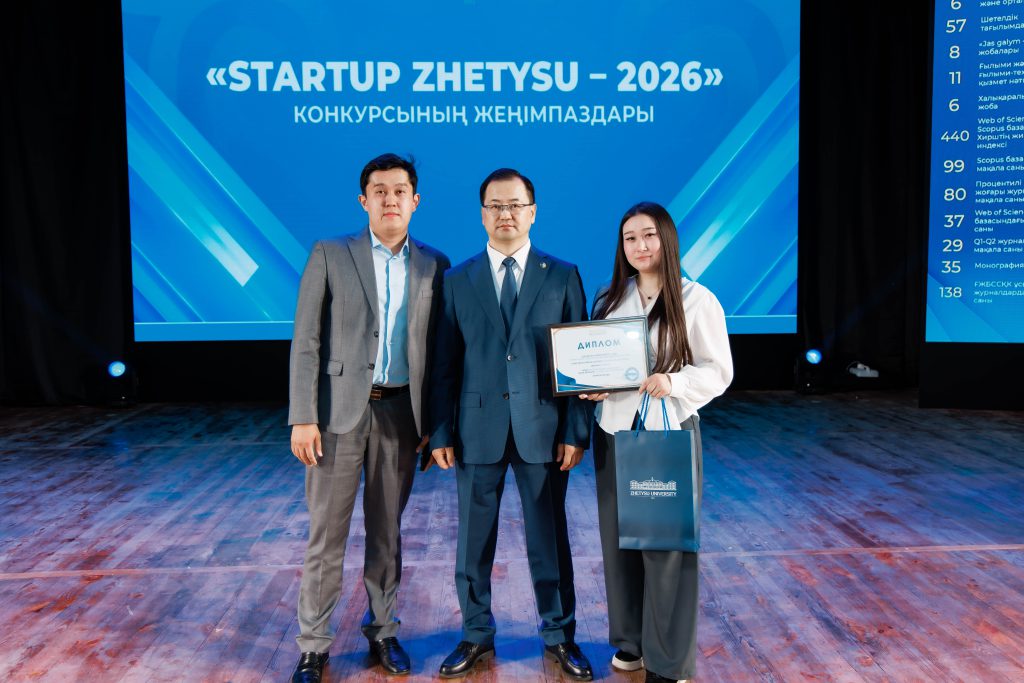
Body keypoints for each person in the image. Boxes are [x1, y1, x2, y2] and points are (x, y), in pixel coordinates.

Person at [287, 153, 450, 682]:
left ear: (415, 201)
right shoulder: (331, 253)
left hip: (401, 415)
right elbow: (306, 340)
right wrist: (303, 415)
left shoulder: (435, 265)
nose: (389, 199)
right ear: (364, 201)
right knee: (326, 535)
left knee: (387, 533)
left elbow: (439, 354)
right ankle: (314, 645)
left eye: (399, 191)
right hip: (336, 417)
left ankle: (383, 631)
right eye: (379, 191)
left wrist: (433, 423)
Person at [427, 168, 594, 680]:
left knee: (549, 539)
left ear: (533, 212)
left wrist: (574, 431)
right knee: (473, 543)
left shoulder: (562, 275)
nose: (506, 214)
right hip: (474, 430)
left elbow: (579, 364)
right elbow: (444, 364)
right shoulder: (457, 279)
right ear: (482, 214)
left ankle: (560, 635)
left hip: (542, 429)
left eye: (515, 205)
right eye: (496, 205)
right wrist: (440, 431)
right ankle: (475, 633)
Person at [580, 201, 733, 683]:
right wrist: (594, 386)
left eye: (648, 235)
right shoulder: (608, 299)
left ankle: (667, 662)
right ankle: (631, 642)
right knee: (619, 544)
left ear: (666, 239)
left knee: (667, 548)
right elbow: (599, 363)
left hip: (667, 436)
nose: (639, 246)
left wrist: (675, 382)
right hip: (614, 434)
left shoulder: (697, 300)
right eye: (630, 238)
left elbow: (719, 372)